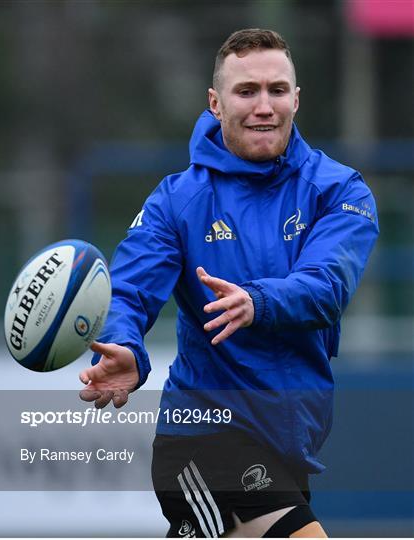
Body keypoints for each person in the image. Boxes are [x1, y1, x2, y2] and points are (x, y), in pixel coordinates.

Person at [79, 28, 379, 538]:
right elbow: (126, 290)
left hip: (287, 444)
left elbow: (327, 284)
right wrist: (124, 345)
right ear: (216, 103)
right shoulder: (176, 201)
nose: (264, 105)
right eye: (247, 92)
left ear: (296, 99)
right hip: (204, 434)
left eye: (277, 90)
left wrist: (258, 302)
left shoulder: (339, 190)